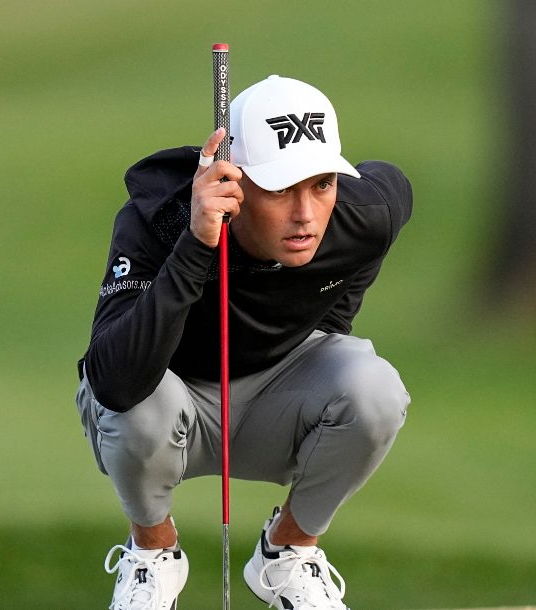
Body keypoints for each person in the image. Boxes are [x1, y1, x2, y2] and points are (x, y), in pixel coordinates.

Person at [75, 75, 412, 610]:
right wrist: (196, 245)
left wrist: (328, 316)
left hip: (276, 404)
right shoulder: (158, 221)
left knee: (375, 389)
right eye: (279, 190)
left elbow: (391, 195)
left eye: (322, 184)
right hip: (168, 407)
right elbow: (114, 381)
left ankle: (288, 555)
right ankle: (152, 554)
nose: (306, 214)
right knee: (136, 406)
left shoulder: (364, 214)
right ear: (234, 182)